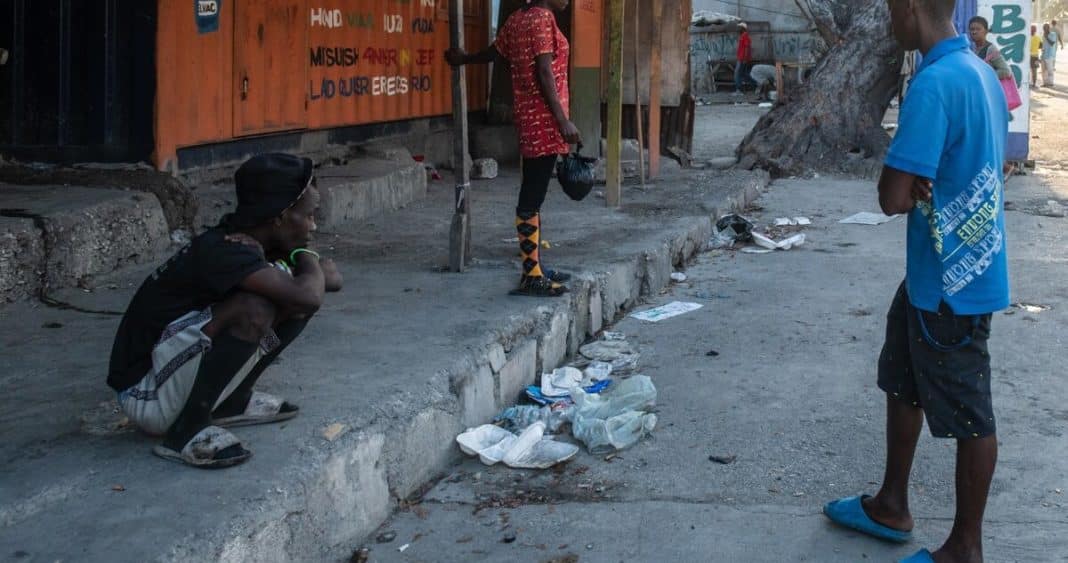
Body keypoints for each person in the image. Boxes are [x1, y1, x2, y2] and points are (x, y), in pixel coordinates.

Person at [823, 1, 1009, 563]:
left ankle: (964, 550)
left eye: (889, 10)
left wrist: (911, 181)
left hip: (950, 282)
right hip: (952, 269)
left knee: (971, 413)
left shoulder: (932, 83)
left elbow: (891, 197)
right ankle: (891, 503)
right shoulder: (980, 71)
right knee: (901, 377)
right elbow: (979, 166)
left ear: (908, 7)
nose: (887, 24)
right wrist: (924, 181)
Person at [108, 153, 344, 468]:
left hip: (169, 377)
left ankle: (233, 400)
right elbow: (312, 292)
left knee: (291, 302)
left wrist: (305, 268)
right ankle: (184, 431)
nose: (314, 225)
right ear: (279, 216)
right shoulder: (226, 252)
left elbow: (332, 280)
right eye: (309, 215)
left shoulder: (256, 244)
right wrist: (306, 255)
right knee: (254, 309)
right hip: (146, 394)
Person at [445, 0, 578, 297]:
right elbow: (544, 71)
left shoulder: (518, 18)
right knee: (532, 196)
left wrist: (465, 59)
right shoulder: (542, 18)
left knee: (534, 192)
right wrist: (563, 121)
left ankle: (536, 267)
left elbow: (497, 52)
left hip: (529, 117)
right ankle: (531, 276)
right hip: (543, 121)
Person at [968, 16, 1013, 81]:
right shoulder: (973, 49)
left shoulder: (991, 49)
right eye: (972, 29)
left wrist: (984, 76)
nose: (974, 32)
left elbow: (1006, 71)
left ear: (986, 31)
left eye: (978, 29)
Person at [734, 22, 755, 95]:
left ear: (743, 28)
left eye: (739, 27)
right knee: (744, 74)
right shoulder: (743, 36)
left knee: (737, 74)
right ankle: (756, 84)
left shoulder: (745, 36)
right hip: (742, 58)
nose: (737, 29)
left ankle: (739, 90)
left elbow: (746, 48)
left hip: (742, 59)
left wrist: (745, 59)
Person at [1043, 22, 1059, 86]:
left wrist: (1046, 37)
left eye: (1046, 28)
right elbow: (1044, 45)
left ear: (1049, 28)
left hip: (1050, 55)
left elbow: (1052, 43)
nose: (1044, 29)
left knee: (1050, 70)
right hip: (1044, 55)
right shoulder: (1044, 35)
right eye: (1044, 28)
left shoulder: (1053, 34)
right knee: (1045, 70)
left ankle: (1051, 83)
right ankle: (1046, 83)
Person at [1031, 24, 1042, 88]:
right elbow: (1041, 46)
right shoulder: (1038, 38)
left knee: (1029, 70)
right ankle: (1034, 83)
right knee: (1034, 70)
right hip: (1036, 56)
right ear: (1035, 30)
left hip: (1029, 56)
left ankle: (1030, 83)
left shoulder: (1028, 37)